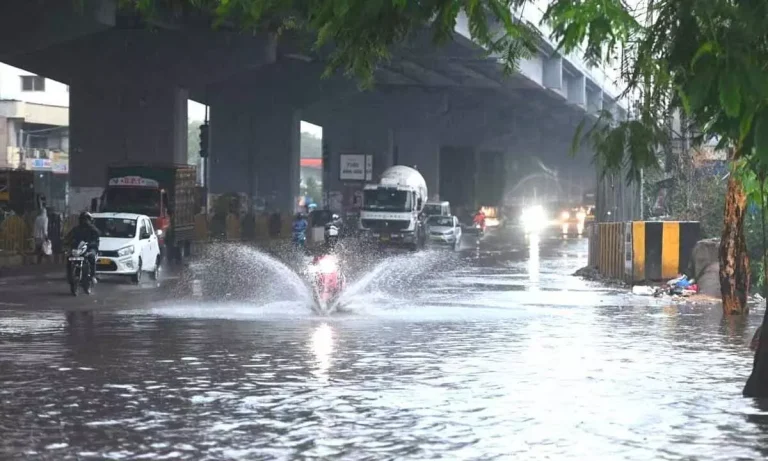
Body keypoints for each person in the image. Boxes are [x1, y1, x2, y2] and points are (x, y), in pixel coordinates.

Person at [68, 212, 101, 284]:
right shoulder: (76, 229)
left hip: (90, 248)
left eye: (86, 219)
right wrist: (67, 243)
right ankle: (69, 275)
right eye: (83, 219)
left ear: (90, 220)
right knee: (69, 257)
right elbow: (69, 237)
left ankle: (92, 276)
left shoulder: (93, 229)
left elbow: (96, 239)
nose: (85, 221)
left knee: (92, 257)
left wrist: (91, 244)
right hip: (78, 249)